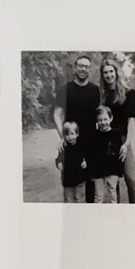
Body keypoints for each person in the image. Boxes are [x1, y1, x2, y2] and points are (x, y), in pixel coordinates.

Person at [53, 55, 101, 201]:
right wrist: (63, 136)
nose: (83, 69)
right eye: (80, 65)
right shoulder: (64, 90)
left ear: (90, 70)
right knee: (70, 183)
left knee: (90, 184)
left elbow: (101, 114)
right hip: (71, 142)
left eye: (86, 66)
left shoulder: (95, 90)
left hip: (91, 141)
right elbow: (57, 114)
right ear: (74, 67)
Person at [99, 56, 135, 204]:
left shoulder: (130, 94)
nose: (109, 75)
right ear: (102, 75)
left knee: (130, 178)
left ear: (116, 72)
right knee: (112, 181)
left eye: (111, 71)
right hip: (107, 140)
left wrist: (126, 144)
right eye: (105, 72)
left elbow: (130, 122)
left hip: (123, 139)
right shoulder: (102, 96)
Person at [87, 104, 120, 204]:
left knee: (112, 194)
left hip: (112, 169)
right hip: (98, 170)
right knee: (98, 196)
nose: (103, 122)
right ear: (97, 121)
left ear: (111, 118)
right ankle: (97, 216)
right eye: (100, 120)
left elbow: (119, 155)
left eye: (105, 119)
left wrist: (118, 171)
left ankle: (114, 215)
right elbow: (92, 155)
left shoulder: (116, 134)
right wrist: (92, 172)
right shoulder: (95, 135)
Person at [56, 120, 87, 203]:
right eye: (67, 134)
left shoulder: (81, 146)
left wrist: (85, 163)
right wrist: (59, 163)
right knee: (68, 200)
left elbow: (86, 157)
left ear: (77, 134)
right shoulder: (63, 148)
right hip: (67, 179)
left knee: (79, 199)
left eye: (72, 134)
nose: (70, 137)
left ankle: (79, 215)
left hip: (80, 178)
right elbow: (58, 159)